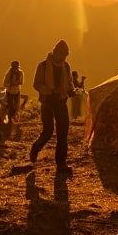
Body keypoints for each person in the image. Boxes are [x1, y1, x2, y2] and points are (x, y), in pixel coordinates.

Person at [30, 39, 74, 172]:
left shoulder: (66, 66)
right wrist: (51, 90)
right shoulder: (42, 66)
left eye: (65, 56)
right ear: (55, 53)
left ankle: (61, 163)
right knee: (48, 132)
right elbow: (36, 84)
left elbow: (70, 82)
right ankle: (35, 148)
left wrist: (71, 90)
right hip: (47, 102)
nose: (63, 58)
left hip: (61, 101)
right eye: (62, 55)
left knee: (63, 133)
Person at [2, 60, 23, 125]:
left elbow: (21, 82)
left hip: (17, 91)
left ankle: (13, 118)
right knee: (10, 106)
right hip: (10, 91)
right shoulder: (9, 74)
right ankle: (10, 119)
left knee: (17, 106)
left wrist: (16, 83)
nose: (15, 68)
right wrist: (11, 84)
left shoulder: (20, 73)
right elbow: (4, 83)